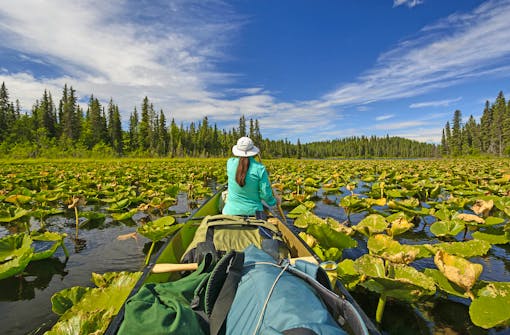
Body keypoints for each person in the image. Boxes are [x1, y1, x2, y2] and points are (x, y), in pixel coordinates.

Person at [222, 136, 278, 215]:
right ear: (253, 151)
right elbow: (265, 194)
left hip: (230, 212)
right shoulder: (260, 168)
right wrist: (274, 201)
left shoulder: (230, 163)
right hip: (254, 212)